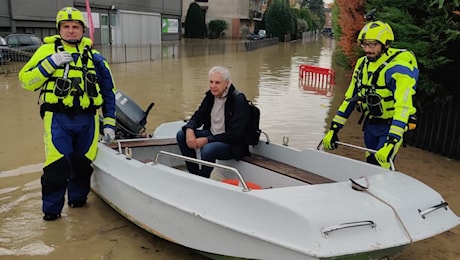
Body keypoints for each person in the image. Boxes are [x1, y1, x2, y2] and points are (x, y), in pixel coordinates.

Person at [18, 7, 117, 221]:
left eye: (75, 27)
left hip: (88, 120)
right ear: (59, 29)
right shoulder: (46, 52)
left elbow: (109, 92)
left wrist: (109, 123)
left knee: (82, 164)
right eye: (66, 27)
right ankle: (52, 214)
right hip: (58, 119)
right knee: (57, 166)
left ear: (82, 30)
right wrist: (50, 63)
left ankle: (78, 203)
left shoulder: (95, 57)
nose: (71, 31)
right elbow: (25, 80)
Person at [322, 20, 418, 169]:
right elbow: (350, 99)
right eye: (364, 44)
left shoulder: (399, 69)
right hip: (370, 125)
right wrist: (334, 129)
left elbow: (403, 106)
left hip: (390, 126)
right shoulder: (362, 64)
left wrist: (392, 140)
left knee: (383, 166)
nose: (367, 49)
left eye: (372, 44)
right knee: (370, 164)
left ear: (385, 44)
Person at [176, 66, 250, 178]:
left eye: (217, 83)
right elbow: (199, 114)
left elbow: (236, 134)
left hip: (232, 144)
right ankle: (193, 174)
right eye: (211, 82)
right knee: (181, 135)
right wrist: (190, 129)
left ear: (227, 83)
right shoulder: (211, 96)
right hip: (213, 134)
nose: (213, 86)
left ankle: (203, 178)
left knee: (208, 149)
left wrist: (207, 140)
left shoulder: (238, 100)